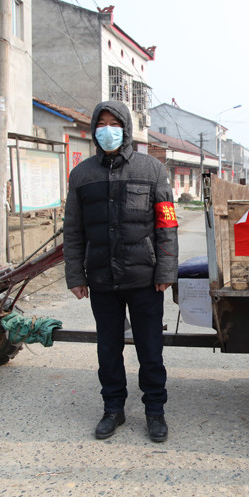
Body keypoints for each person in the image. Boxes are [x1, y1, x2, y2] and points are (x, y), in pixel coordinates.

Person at [63, 101, 178, 443]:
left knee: (150, 349)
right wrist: (76, 275)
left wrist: (165, 271)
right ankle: (113, 409)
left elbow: (167, 226)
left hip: (144, 279)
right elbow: (73, 231)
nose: (108, 129)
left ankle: (155, 411)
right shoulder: (81, 176)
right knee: (108, 349)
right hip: (101, 279)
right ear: (95, 130)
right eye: (102, 123)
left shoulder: (152, 171)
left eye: (114, 123)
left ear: (126, 128)